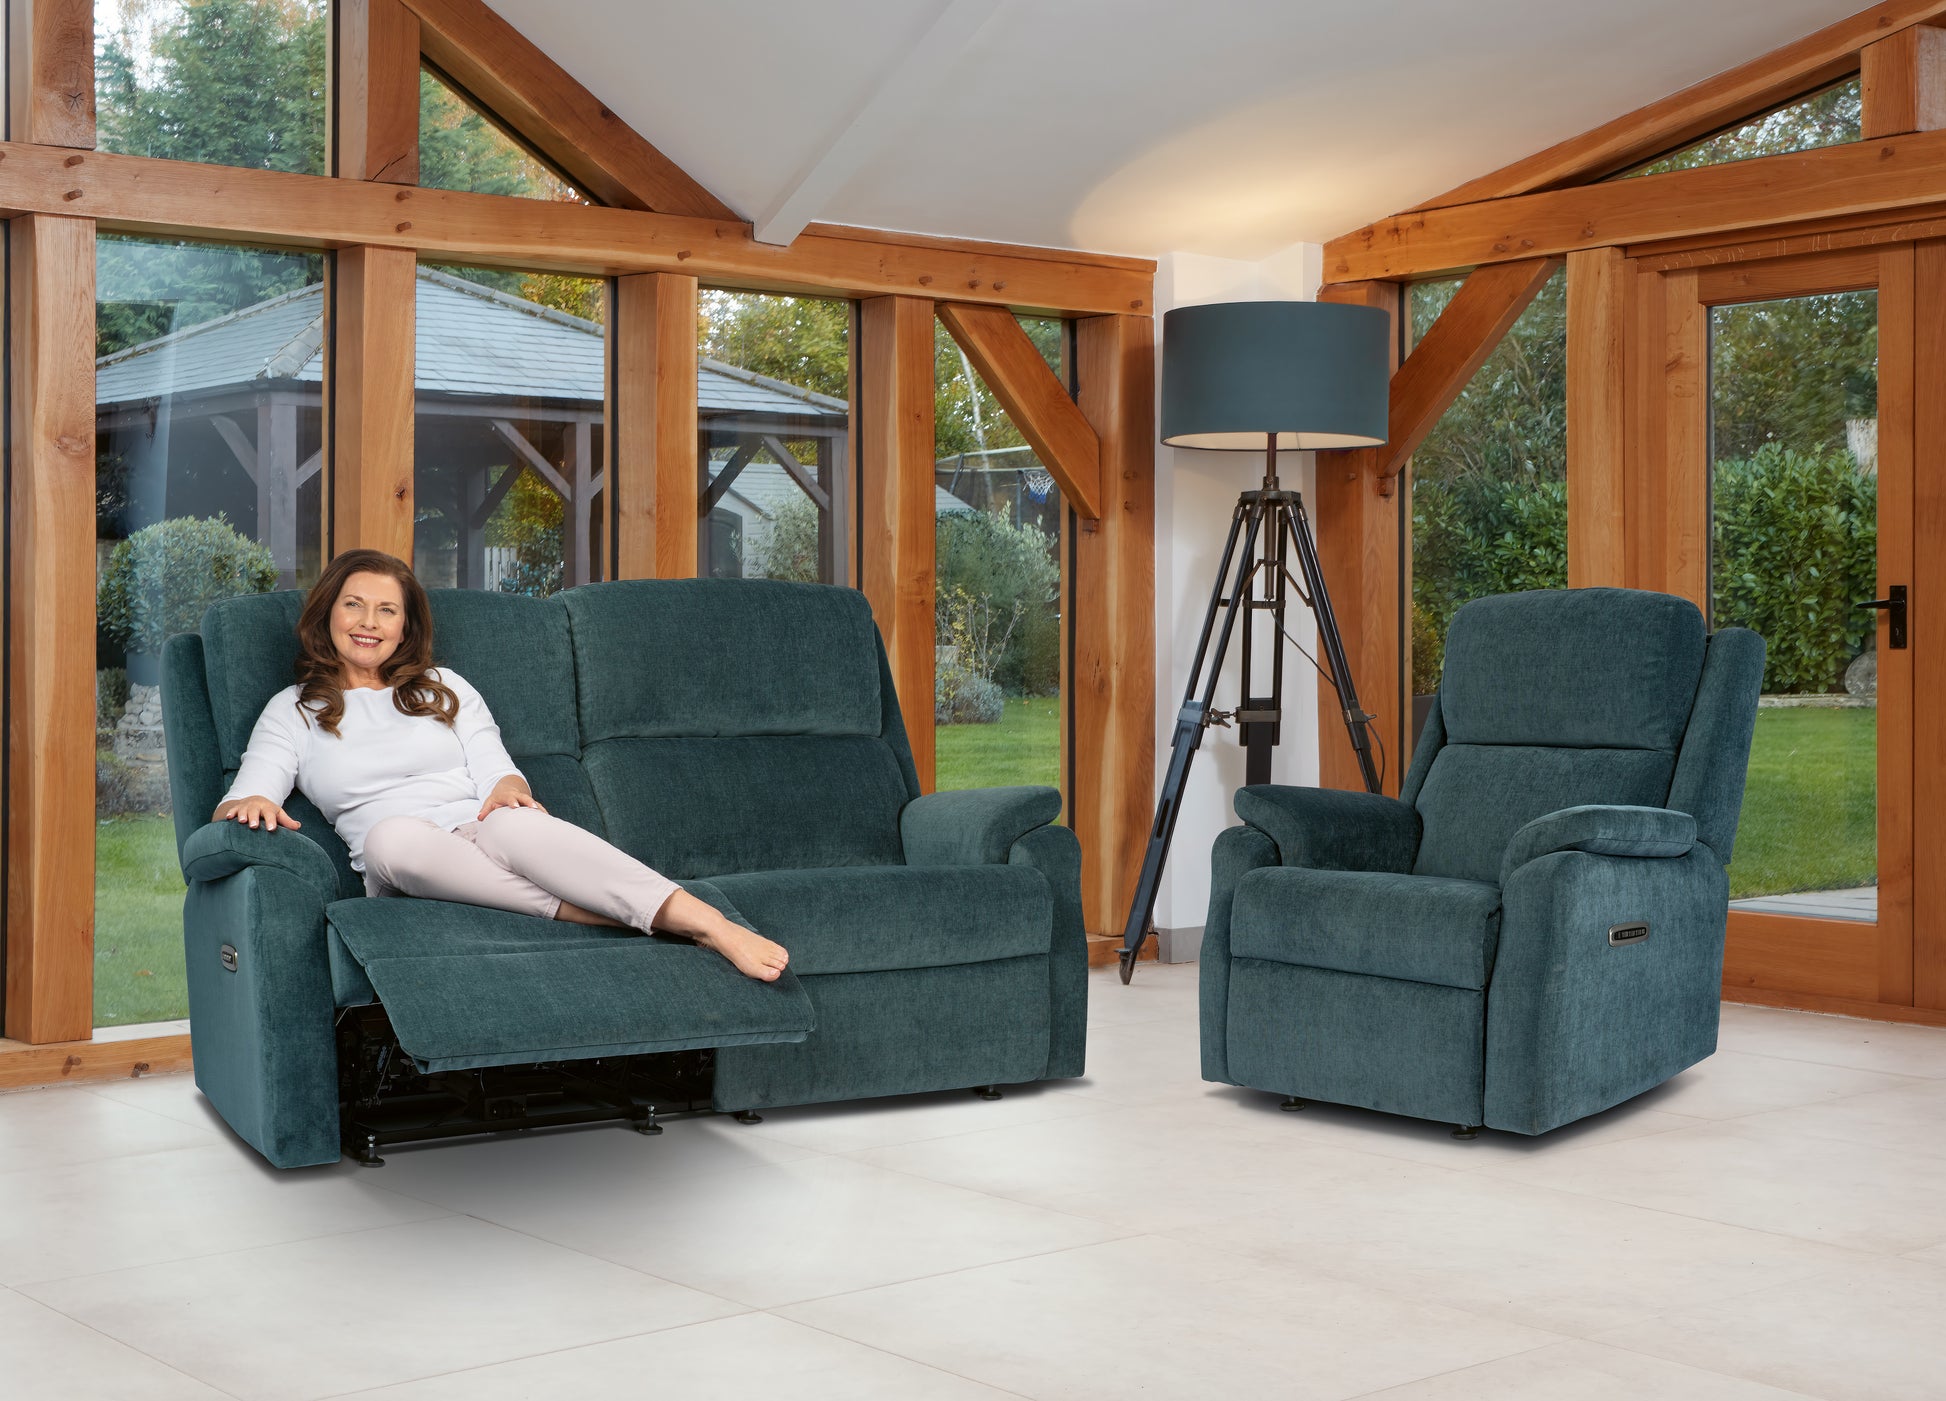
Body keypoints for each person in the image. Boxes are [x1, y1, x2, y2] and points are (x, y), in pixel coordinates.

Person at [213, 548, 790, 982]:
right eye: (354, 605)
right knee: (392, 839)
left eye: (387, 610)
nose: (369, 622)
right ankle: (605, 913)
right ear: (328, 614)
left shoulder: (444, 686)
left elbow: (496, 768)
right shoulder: (295, 709)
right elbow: (249, 790)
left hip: (479, 825)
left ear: (405, 627)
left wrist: (511, 788)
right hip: (406, 858)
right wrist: (256, 800)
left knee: (515, 822)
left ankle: (711, 923)